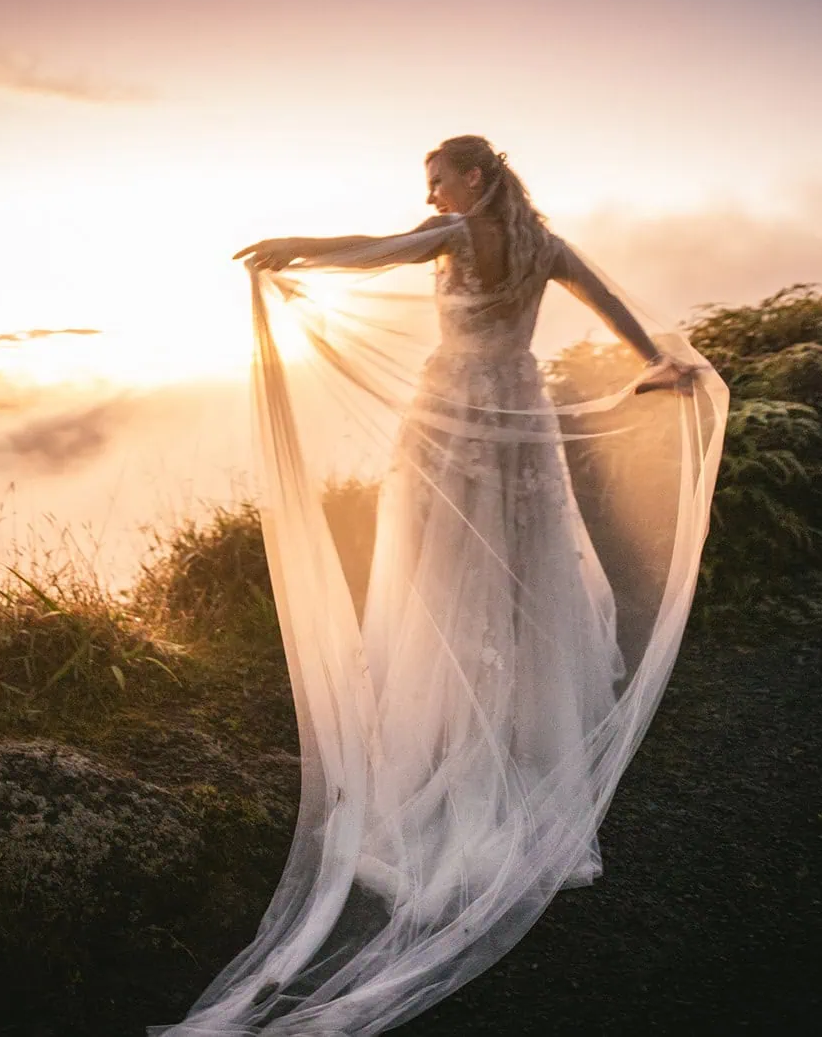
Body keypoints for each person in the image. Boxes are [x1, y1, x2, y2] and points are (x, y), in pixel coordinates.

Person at [153, 136, 725, 1036]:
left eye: (437, 181)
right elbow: (610, 303)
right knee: (518, 579)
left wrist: (287, 248)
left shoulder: (452, 235)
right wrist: (662, 357)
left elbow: (375, 250)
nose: (429, 197)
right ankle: (510, 729)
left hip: (455, 415)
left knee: (443, 576)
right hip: (518, 416)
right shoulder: (546, 248)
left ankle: (461, 732)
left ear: (475, 177)